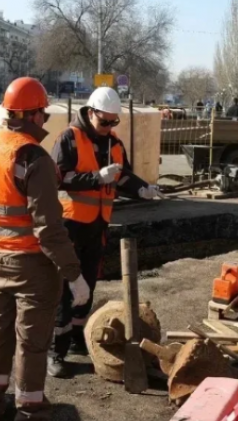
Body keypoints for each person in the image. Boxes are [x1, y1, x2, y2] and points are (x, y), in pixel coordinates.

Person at [0, 77, 90, 421]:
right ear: (33, 114)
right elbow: (49, 229)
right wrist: (74, 276)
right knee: (32, 344)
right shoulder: (32, 158)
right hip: (32, 268)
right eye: (43, 113)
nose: (45, 120)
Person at [48, 86, 161, 378]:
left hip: (97, 225)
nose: (109, 127)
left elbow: (122, 175)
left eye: (114, 122)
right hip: (70, 224)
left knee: (87, 284)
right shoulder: (69, 139)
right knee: (65, 289)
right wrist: (96, 178)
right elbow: (59, 178)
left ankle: (76, 340)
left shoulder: (114, 144)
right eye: (105, 121)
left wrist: (142, 189)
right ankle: (55, 352)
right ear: (90, 112)